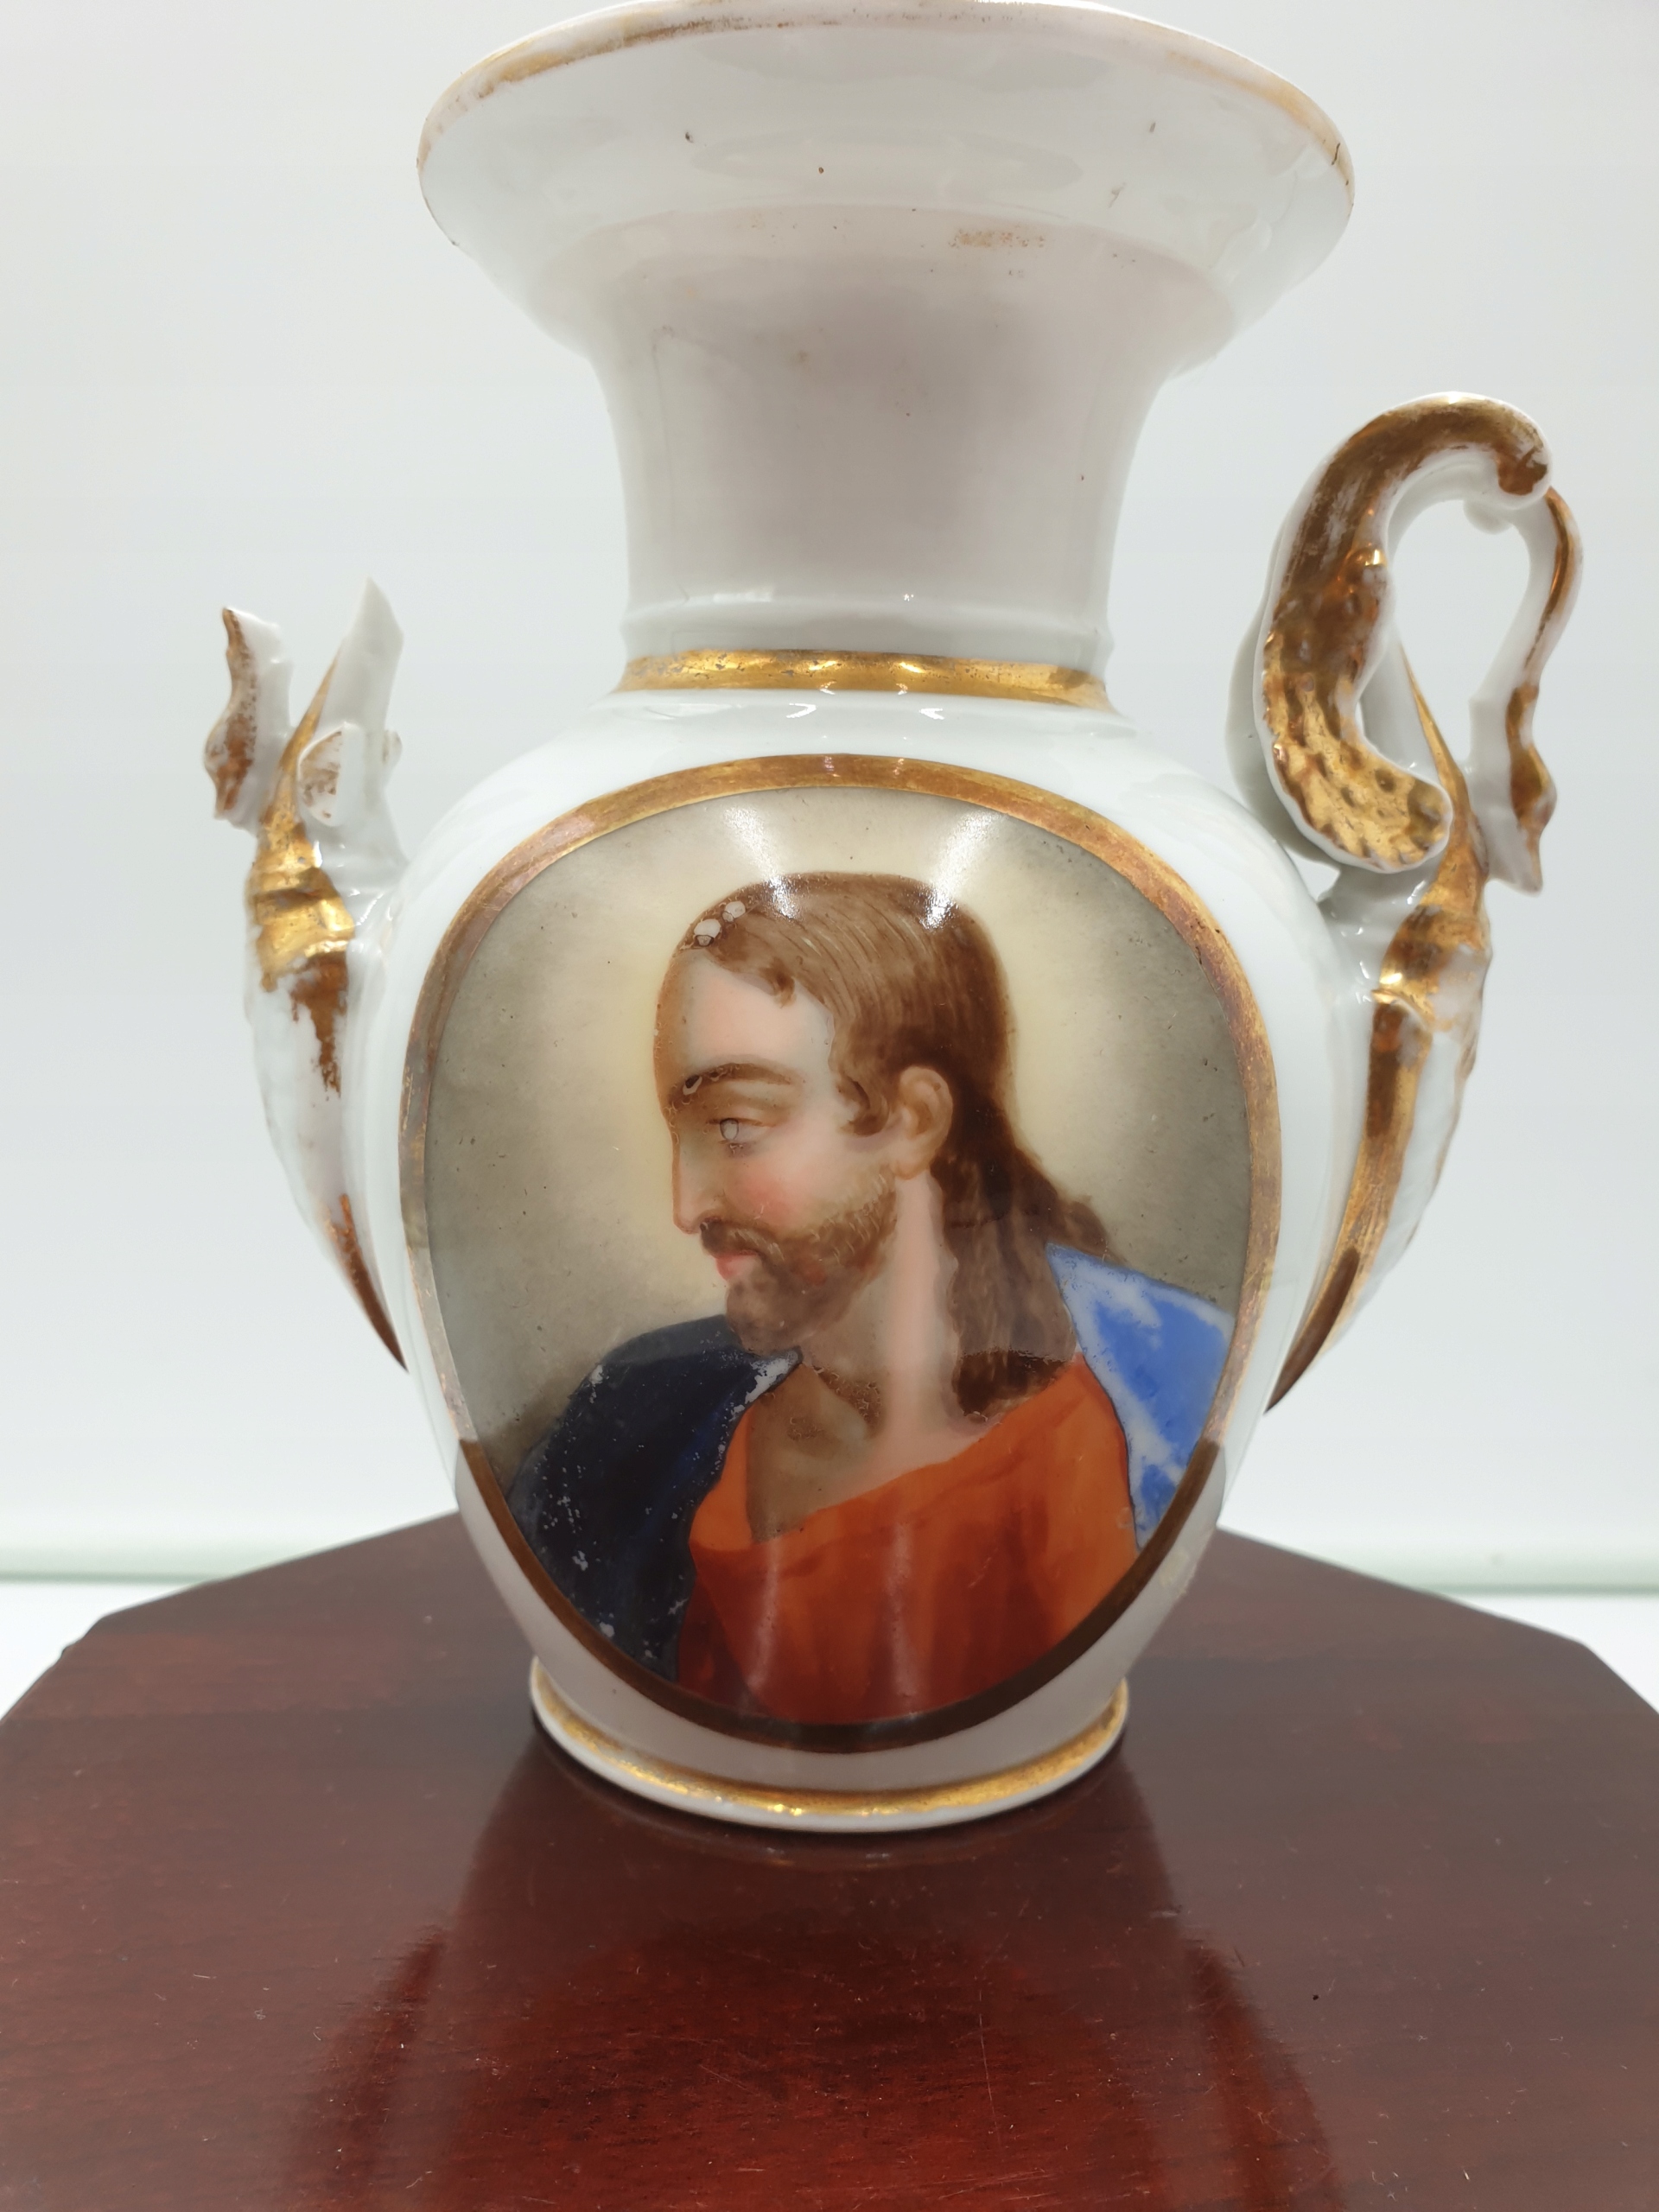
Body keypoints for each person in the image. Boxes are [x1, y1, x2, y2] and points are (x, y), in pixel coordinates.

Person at [509, 872, 1231, 1726]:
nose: (687, 1205)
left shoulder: (1098, 1449)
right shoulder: (631, 1422)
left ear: (913, 1120)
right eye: (682, 1133)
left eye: (735, 1126)